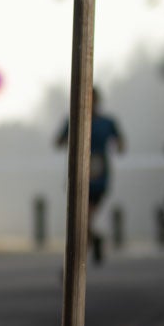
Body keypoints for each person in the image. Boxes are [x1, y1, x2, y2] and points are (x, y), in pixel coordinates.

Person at [55, 87, 125, 265]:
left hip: (98, 176)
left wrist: (118, 145)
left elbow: (121, 143)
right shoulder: (73, 119)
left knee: (84, 219)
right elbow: (58, 142)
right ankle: (85, 252)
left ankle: (76, 263)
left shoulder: (107, 122)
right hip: (77, 175)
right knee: (81, 221)